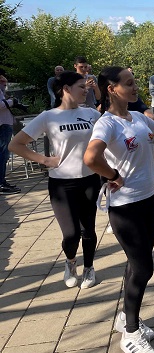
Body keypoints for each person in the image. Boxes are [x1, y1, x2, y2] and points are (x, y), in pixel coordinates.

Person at [84, 66, 154, 353]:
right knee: (144, 268)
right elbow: (91, 158)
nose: (135, 88)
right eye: (129, 84)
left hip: (150, 199)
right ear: (112, 89)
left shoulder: (138, 118)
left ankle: (126, 318)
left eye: (134, 83)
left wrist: (153, 160)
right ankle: (130, 333)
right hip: (125, 207)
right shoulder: (107, 124)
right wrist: (112, 176)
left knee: (137, 265)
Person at [9, 71, 101, 288]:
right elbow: (16, 144)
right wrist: (44, 159)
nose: (86, 90)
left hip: (89, 179)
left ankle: (89, 268)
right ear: (66, 89)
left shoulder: (91, 114)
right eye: (81, 87)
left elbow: (108, 139)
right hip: (62, 183)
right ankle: (70, 262)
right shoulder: (48, 116)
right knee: (71, 234)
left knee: (88, 230)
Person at [0, 76, 20, 194]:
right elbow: (1, 105)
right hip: (3, 125)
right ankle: (1, 183)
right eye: (2, 82)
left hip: (5, 124)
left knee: (3, 155)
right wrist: (12, 102)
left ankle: (2, 181)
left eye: (5, 82)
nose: (4, 84)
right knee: (3, 155)